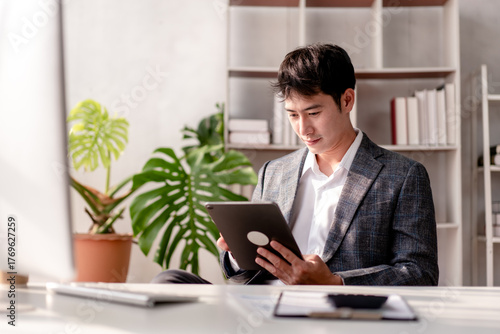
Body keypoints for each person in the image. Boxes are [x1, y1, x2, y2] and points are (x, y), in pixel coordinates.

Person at [152, 43, 438, 286]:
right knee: (168, 281)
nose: (304, 129)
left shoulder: (402, 176)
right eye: (292, 114)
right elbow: (245, 276)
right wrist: (237, 255)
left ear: (347, 99)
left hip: (336, 308)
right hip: (262, 306)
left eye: (313, 112)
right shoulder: (274, 173)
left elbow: (419, 273)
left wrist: (334, 282)